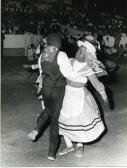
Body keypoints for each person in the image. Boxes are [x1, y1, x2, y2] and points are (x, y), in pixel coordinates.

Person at [27, 33, 88, 161]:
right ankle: (51, 153)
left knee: (47, 109)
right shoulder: (61, 55)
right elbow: (69, 73)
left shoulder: (42, 56)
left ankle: (37, 129)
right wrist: (82, 78)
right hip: (58, 90)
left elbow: (42, 73)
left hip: (46, 89)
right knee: (55, 121)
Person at [58, 40, 108, 156]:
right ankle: (69, 145)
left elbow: (97, 84)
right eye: (81, 50)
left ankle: (80, 145)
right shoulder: (70, 61)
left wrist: (104, 96)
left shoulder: (88, 67)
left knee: (79, 120)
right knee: (63, 118)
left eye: (84, 51)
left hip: (79, 95)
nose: (81, 53)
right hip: (67, 93)